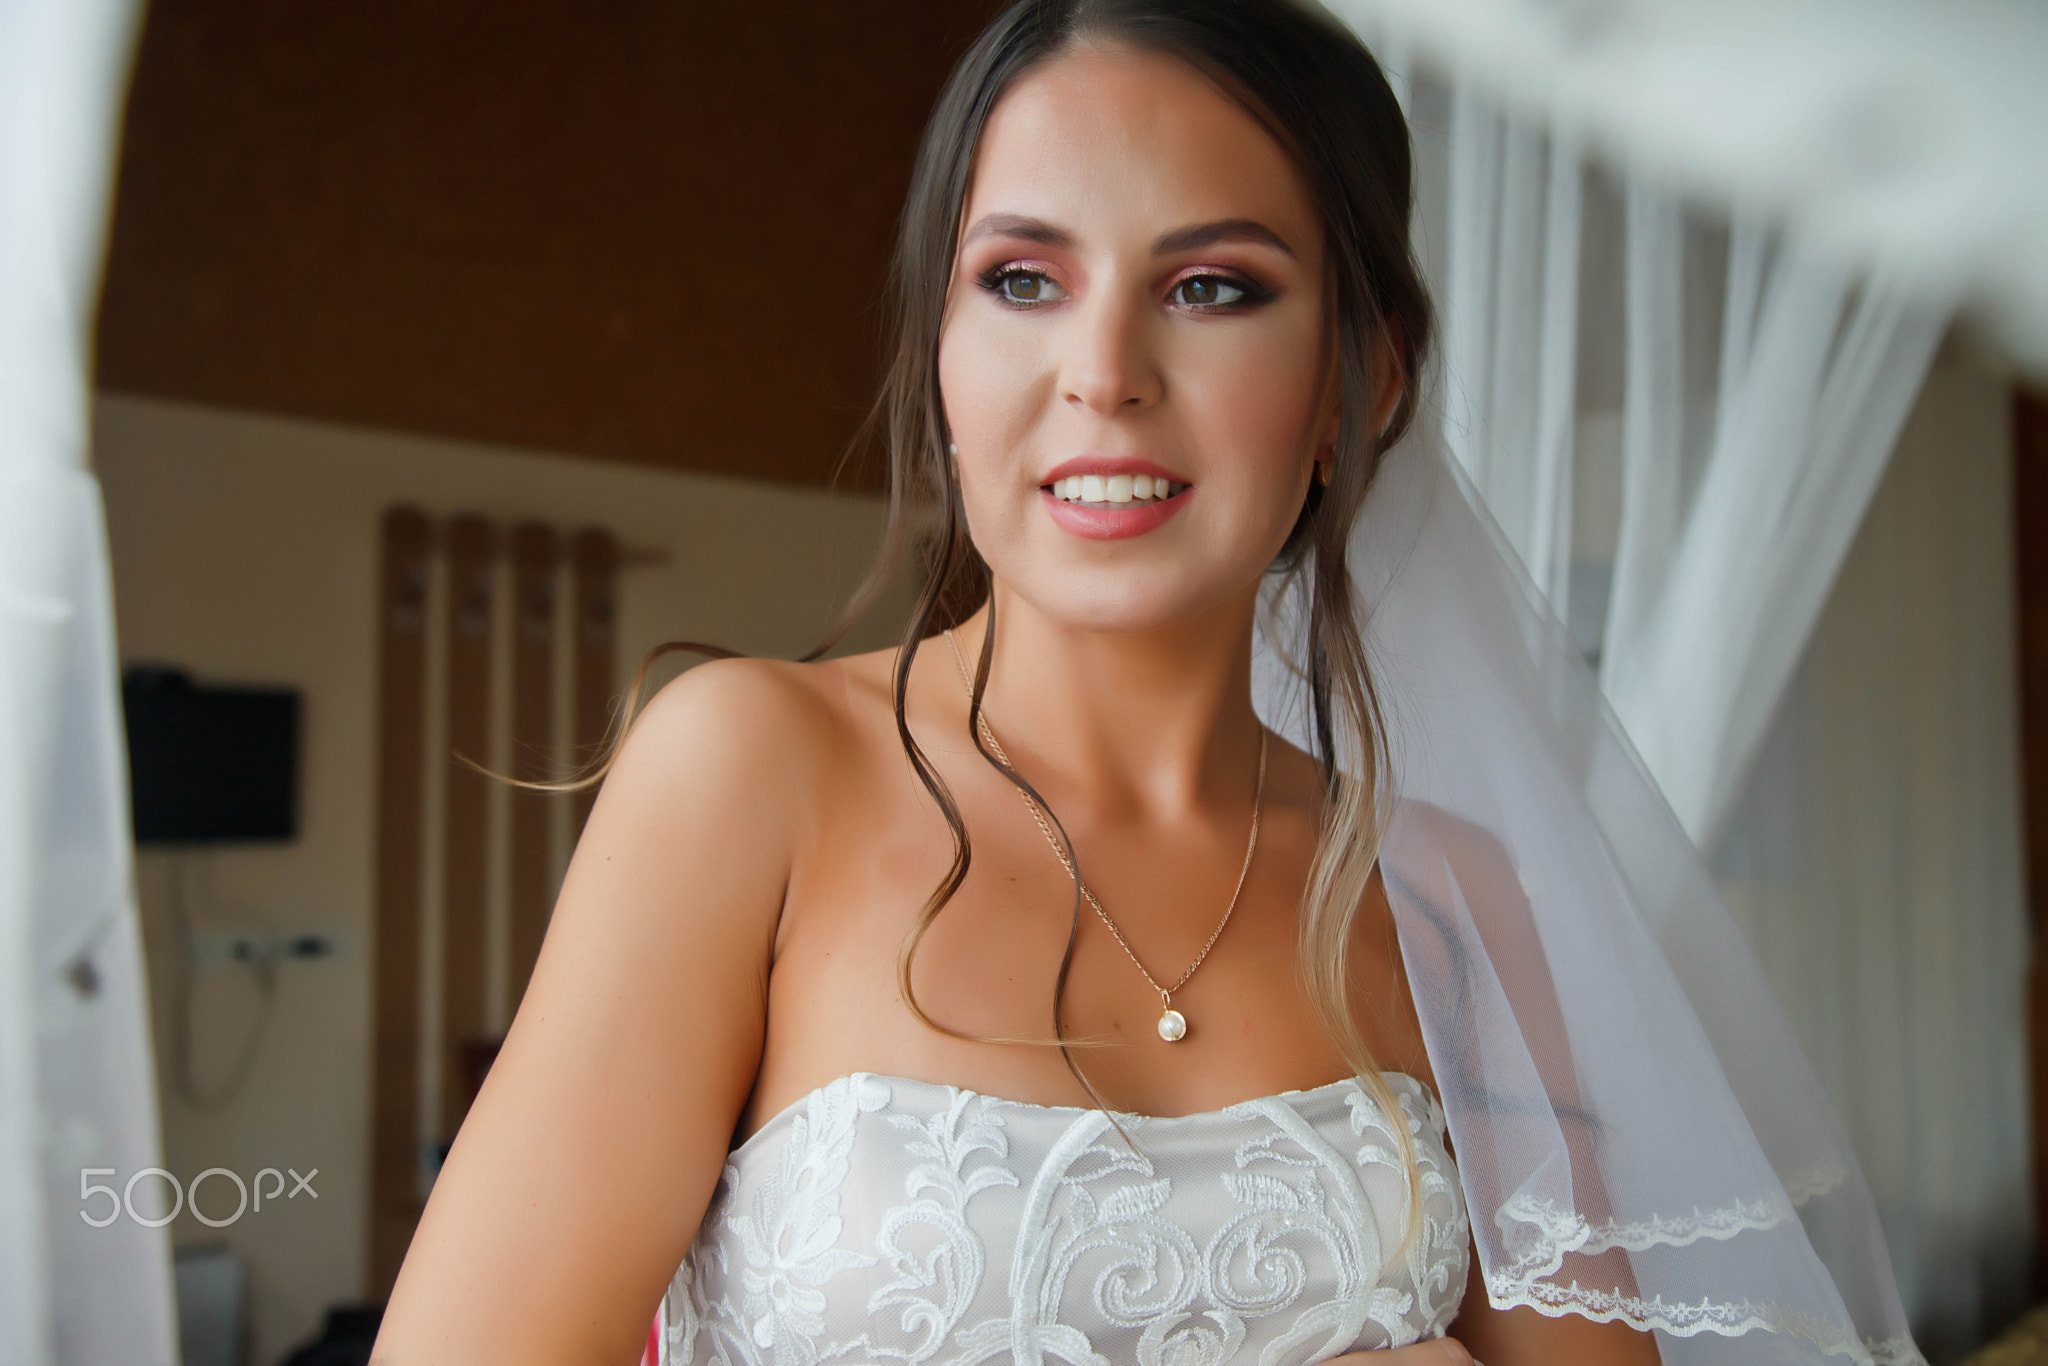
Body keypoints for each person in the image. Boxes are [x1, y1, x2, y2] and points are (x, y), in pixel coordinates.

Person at [371, 4, 1918, 1364]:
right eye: (1025, 278)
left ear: (1362, 382)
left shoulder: (1451, 898)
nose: (1102, 369)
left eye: (1215, 288)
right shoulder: (752, 770)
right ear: (942, 353)